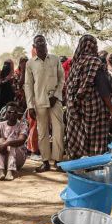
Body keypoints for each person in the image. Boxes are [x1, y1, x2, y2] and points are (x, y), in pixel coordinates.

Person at [65, 35, 112, 159]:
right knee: (95, 141)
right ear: (92, 46)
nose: (97, 48)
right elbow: (103, 89)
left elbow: (70, 88)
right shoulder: (95, 62)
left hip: (75, 109)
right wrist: (111, 108)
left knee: (79, 136)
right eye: (96, 45)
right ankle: (94, 166)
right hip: (94, 109)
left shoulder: (75, 64)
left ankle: (79, 165)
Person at [24, 35, 65, 173]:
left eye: (44, 45)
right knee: (42, 132)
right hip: (39, 102)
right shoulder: (30, 64)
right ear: (34, 47)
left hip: (55, 101)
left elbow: (62, 79)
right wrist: (30, 106)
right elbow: (28, 85)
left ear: (47, 45)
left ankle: (58, 161)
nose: (42, 48)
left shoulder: (55, 59)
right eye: (39, 46)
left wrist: (56, 95)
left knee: (59, 130)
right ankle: (45, 162)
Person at [0, 102, 29, 181]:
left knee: (11, 141)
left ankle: (10, 171)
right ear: (5, 113)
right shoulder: (0, 125)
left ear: (18, 114)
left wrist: (7, 143)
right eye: (9, 112)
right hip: (4, 155)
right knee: (0, 141)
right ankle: (1, 171)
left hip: (18, 159)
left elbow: (21, 140)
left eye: (14, 112)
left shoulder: (23, 125)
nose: (12, 114)